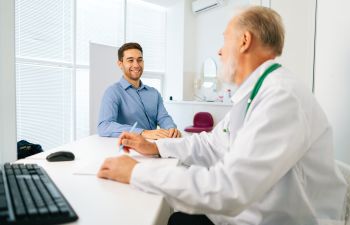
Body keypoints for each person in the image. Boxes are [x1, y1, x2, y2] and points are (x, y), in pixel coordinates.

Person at [97, 6, 347, 225]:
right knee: (177, 219)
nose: (219, 51)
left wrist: (136, 173)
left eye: (225, 40)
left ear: (244, 41)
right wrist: (155, 147)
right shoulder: (252, 96)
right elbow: (211, 144)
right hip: (247, 211)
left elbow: (229, 188)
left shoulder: (281, 97)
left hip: (276, 219)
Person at [97, 42, 181, 139]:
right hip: (128, 149)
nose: (136, 65)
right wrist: (142, 132)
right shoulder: (113, 92)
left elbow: (163, 117)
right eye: (130, 60)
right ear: (120, 64)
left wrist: (170, 128)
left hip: (155, 147)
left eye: (139, 60)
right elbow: (104, 126)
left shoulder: (154, 93)